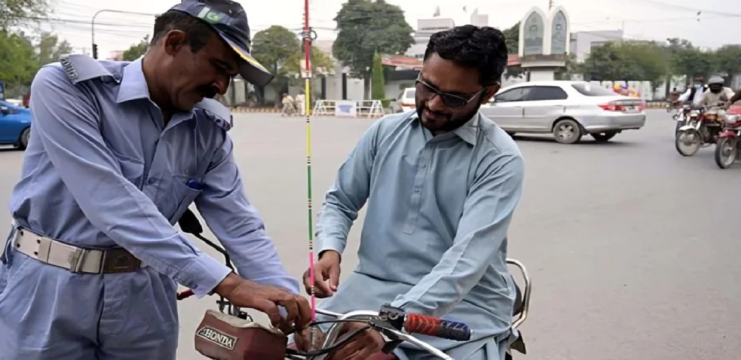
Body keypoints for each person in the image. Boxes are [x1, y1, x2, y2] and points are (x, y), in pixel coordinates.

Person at [0, 1, 312, 359]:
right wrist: (227, 283)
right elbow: (110, 202)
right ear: (174, 42)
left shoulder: (207, 132)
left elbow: (240, 226)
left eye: (231, 76)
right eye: (219, 67)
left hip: (143, 300)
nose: (222, 86)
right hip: (47, 289)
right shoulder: (71, 88)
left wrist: (288, 305)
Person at [303, 25, 524, 360]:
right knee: (298, 346)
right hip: (371, 287)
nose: (433, 104)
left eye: (453, 98)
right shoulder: (384, 132)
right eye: (427, 86)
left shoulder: (499, 159)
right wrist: (329, 250)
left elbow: (465, 262)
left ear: (487, 93)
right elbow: (340, 201)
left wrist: (391, 322)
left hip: (465, 303)